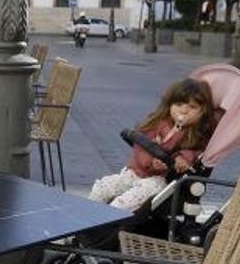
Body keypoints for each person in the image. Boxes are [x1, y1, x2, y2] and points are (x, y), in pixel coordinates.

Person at [89, 78, 216, 212]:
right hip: (134, 172)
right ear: (170, 105)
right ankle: (88, 216)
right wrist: (151, 160)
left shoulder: (198, 134)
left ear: (203, 111)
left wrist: (182, 157)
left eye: (192, 107)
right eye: (179, 104)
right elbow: (140, 144)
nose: (184, 111)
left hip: (158, 180)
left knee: (124, 202)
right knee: (102, 187)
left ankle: (110, 219)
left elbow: (197, 151)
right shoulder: (156, 123)